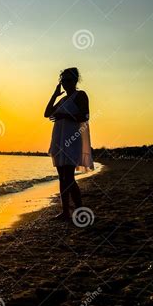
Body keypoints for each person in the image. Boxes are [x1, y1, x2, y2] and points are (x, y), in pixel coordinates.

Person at [44, 67, 94, 220]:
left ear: (75, 81)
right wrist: (54, 95)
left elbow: (85, 115)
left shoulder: (80, 95)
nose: (65, 83)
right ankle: (65, 211)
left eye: (68, 80)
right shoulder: (63, 99)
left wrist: (63, 114)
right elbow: (47, 113)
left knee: (69, 176)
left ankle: (79, 209)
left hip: (72, 139)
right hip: (59, 138)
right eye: (63, 80)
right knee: (61, 177)